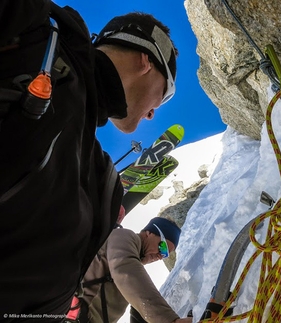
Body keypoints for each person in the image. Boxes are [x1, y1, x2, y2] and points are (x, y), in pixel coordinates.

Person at [0, 1, 178, 320]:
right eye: (165, 96)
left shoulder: (96, 174)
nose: (153, 112)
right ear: (146, 61)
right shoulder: (32, 33)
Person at [69, 217, 191, 323]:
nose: (160, 256)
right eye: (162, 247)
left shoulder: (134, 273)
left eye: (165, 255)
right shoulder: (124, 235)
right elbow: (125, 270)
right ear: (149, 233)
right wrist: (169, 320)